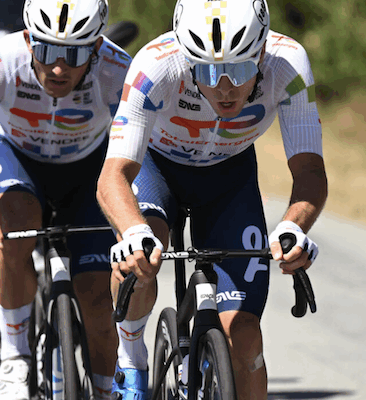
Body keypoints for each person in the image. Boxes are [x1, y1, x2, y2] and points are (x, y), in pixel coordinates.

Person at [96, 0, 327, 398]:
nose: (225, 87)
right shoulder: (156, 65)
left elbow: (309, 171)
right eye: (207, 71)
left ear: (261, 53)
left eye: (239, 70)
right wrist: (133, 232)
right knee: (140, 258)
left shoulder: (287, 64)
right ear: (187, 59)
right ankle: (131, 357)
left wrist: (294, 226)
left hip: (228, 177)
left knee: (245, 336)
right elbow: (112, 176)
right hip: (156, 168)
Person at [0, 0, 132, 398]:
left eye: (75, 54)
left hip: (89, 170)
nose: (59, 68)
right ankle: (15, 357)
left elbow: (135, 157)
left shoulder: (118, 71)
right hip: (18, 160)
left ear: (97, 47)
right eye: (47, 51)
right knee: (12, 226)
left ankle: (106, 389)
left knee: (97, 299)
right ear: (29, 40)